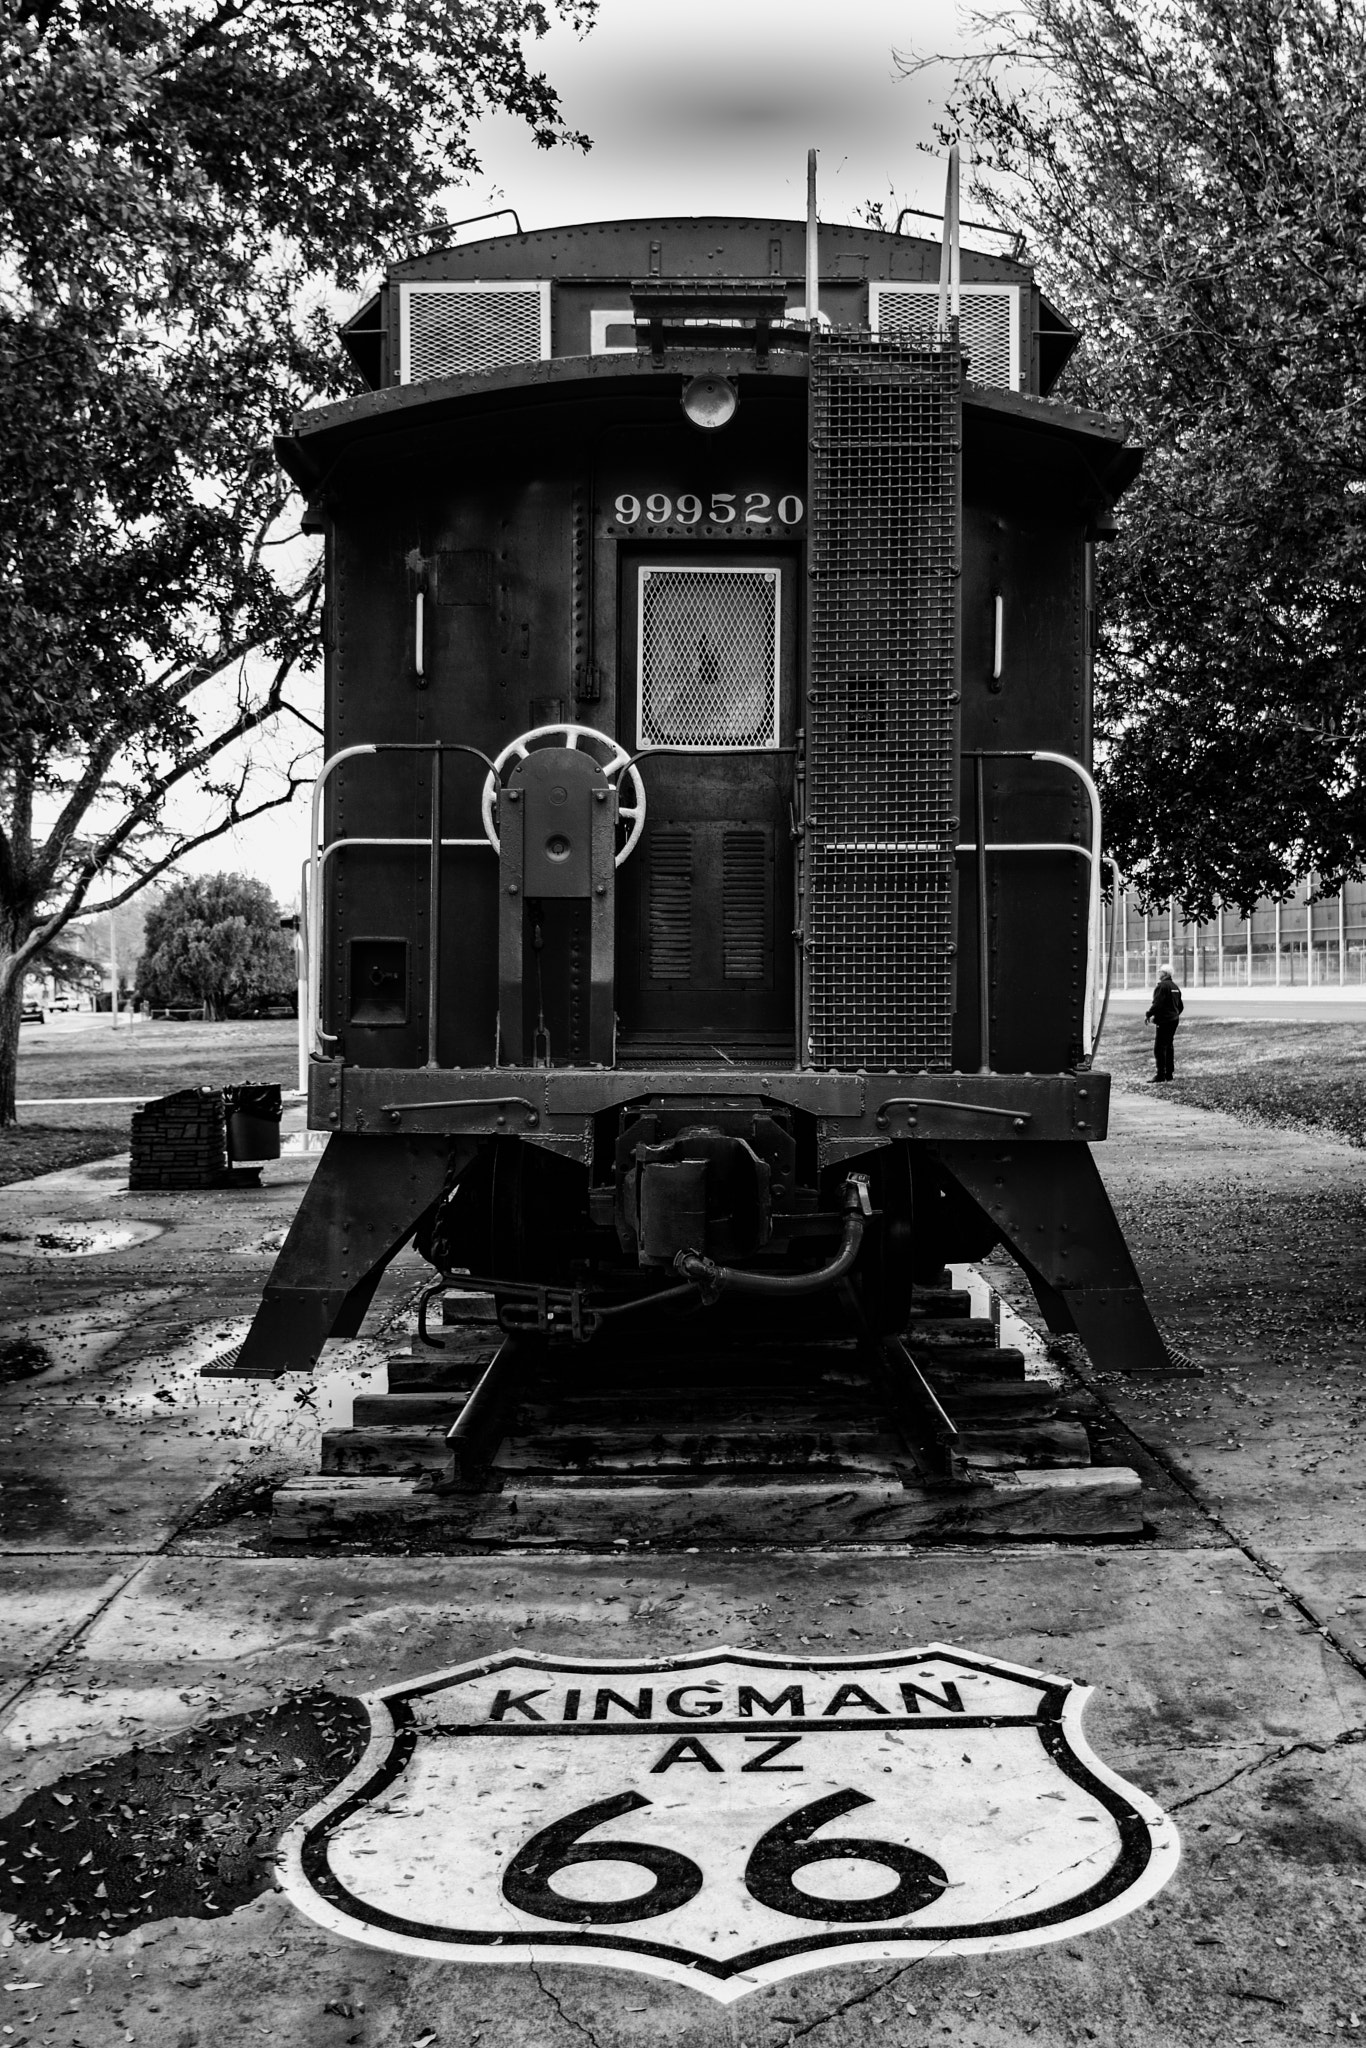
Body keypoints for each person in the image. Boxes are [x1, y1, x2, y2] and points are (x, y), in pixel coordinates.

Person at [1145, 967, 1184, 1081]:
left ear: (1164, 973)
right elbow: (1180, 1006)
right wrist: (1174, 1014)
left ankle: (1161, 1074)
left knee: (1159, 1048)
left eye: (1160, 971)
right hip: (1173, 1020)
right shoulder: (1175, 987)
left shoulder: (1162, 986)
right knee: (1169, 1046)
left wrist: (1149, 1014)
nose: (1158, 973)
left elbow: (1158, 1003)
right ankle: (1169, 1074)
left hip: (1164, 1021)